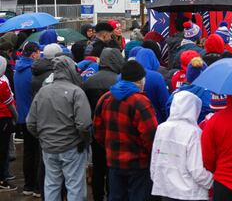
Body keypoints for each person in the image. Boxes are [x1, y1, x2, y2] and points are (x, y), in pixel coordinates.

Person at [26, 56, 91, 201]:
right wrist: (84, 141)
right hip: (72, 147)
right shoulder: (76, 92)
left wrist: (43, 137)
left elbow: (30, 122)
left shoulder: (42, 92)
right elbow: (84, 124)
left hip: (49, 147)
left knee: (52, 184)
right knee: (75, 186)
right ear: (70, 70)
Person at [93, 60, 158, 201]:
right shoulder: (141, 102)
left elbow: (98, 131)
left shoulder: (105, 98)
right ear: (140, 80)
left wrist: (110, 147)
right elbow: (151, 136)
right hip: (138, 164)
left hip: (114, 161)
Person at [151, 91, 213, 201]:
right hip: (189, 193)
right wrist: (212, 182)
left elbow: (155, 160)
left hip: (166, 190)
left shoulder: (161, 128)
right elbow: (196, 170)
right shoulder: (194, 132)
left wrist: (158, 180)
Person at [82, 48, 124, 201]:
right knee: (113, 168)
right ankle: (111, 194)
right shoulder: (118, 81)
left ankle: (97, 196)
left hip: (96, 128)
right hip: (115, 130)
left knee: (98, 166)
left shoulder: (89, 81)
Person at [14, 41, 41, 197]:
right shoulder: (32, 71)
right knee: (37, 152)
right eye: (38, 52)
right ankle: (37, 187)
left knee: (28, 152)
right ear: (33, 54)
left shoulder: (18, 69)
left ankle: (28, 185)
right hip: (33, 117)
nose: (40, 55)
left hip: (22, 116)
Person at [136, 48, 170, 123]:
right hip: (153, 120)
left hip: (130, 122)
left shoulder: (122, 76)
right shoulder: (156, 77)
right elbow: (165, 103)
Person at [0, 56, 18, 191]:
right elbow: (10, 104)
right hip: (3, 119)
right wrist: (16, 118)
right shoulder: (2, 84)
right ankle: (2, 180)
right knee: (3, 150)